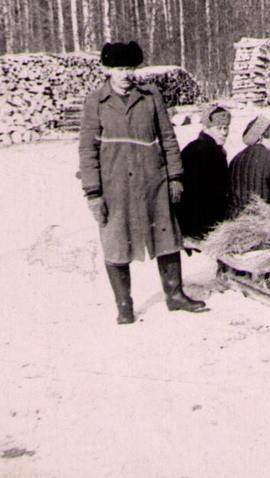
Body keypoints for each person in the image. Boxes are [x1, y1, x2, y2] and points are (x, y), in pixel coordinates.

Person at [78, 41, 207, 324]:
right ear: (107, 70)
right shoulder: (95, 102)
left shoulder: (150, 97)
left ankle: (175, 295)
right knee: (116, 242)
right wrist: (93, 193)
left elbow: (168, 138)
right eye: (119, 68)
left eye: (130, 68)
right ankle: (124, 304)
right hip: (114, 187)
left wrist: (175, 176)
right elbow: (87, 151)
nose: (125, 74)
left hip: (154, 181)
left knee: (167, 237)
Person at [177, 104, 232, 244]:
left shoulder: (195, 146)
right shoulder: (209, 152)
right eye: (219, 128)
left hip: (187, 222)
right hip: (202, 225)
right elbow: (212, 195)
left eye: (226, 128)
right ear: (206, 128)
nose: (224, 132)